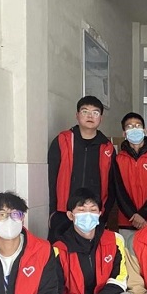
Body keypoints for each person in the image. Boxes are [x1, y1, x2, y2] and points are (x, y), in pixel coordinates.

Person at [47, 96, 115, 241]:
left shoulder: (107, 147)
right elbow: (51, 179)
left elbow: (112, 185)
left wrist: (104, 213)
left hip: (93, 214)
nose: (90, 116)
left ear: (101, 118)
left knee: (92, 251)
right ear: (77, 115)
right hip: (63, 213)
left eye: (95, 112)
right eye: (85, 111)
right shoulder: (63, 140)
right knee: (60, 250)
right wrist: (52, 211)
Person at [114, 112, 147, 240]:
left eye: (138, 126)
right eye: (129, 126)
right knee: (128, 253)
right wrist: (133, 215)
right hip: (127, 221)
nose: (134, 129)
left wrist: (143, 214)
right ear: (124, 133)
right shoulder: (118, 159)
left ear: (144, 130)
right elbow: (118, 190)